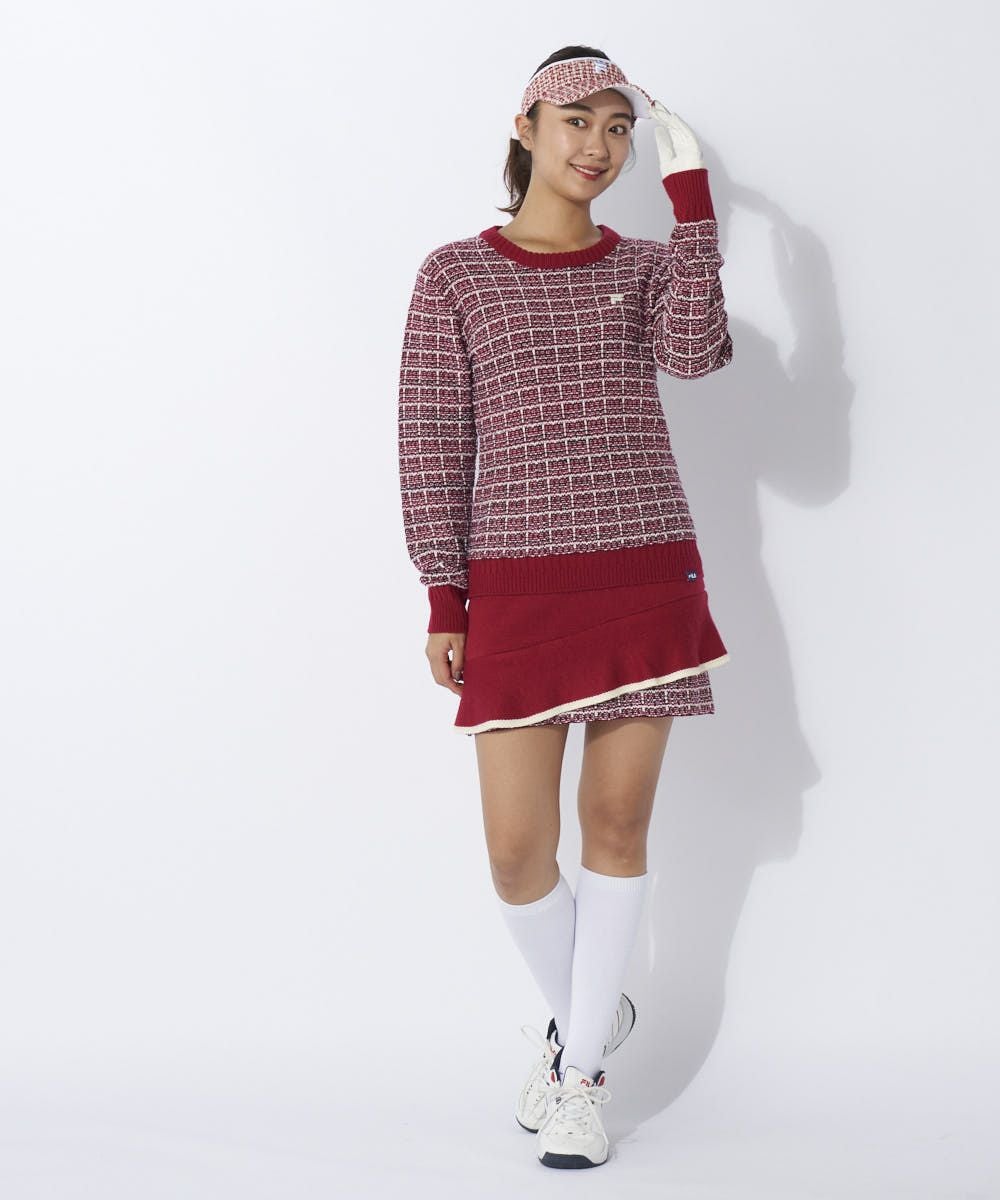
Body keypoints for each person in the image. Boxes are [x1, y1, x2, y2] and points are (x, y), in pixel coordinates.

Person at [396, 45, 734, 1169]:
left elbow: (697, 354)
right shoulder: (456, 274)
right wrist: (444, 593)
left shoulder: (644, 269)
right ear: (526, 127)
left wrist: (692, 204)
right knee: (514, 853)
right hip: (517, 588)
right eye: (576, 120)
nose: (598, 145)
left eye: (618, 128)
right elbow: (432, 437)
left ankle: (579, 1074)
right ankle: (594, 1014)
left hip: (641, 570)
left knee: (617, 828)